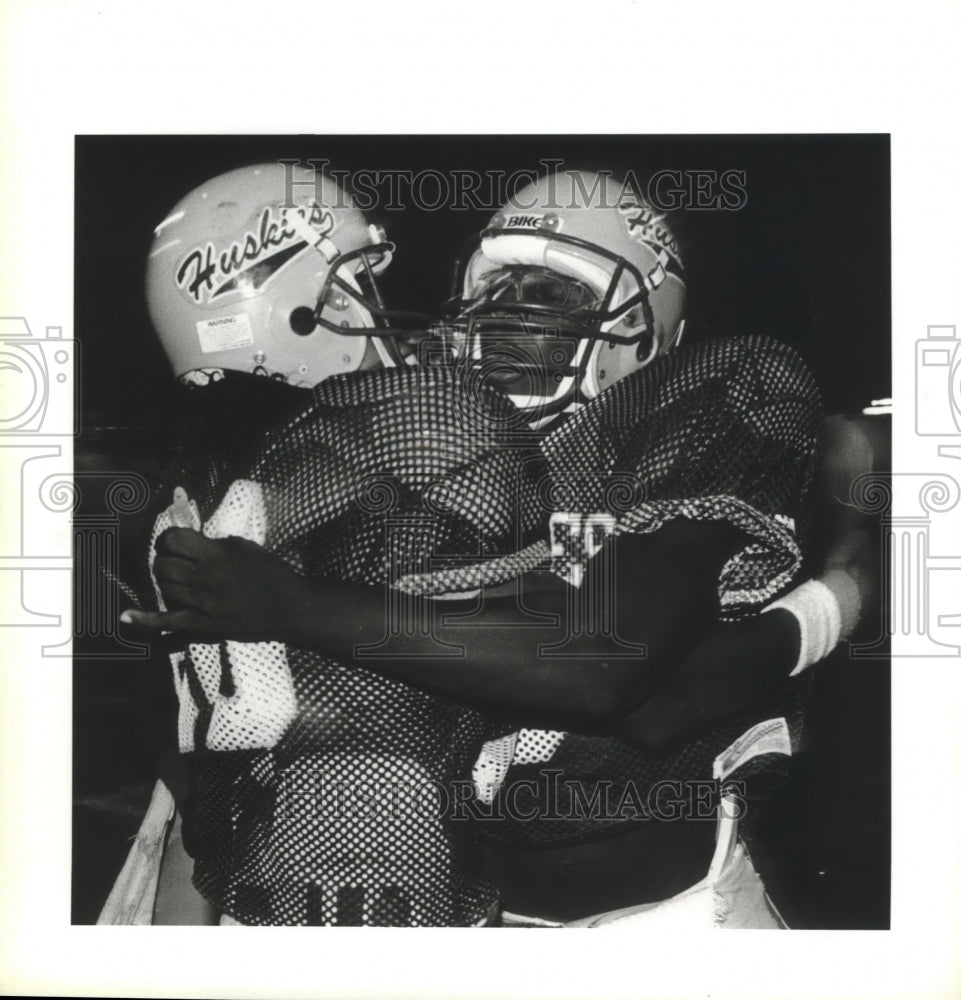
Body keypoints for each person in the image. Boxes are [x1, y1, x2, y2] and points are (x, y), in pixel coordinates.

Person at [126, 170, 867, 927]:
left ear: (643, 324)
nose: (505, 315)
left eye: (551, 294)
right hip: (450, 917)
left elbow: (617, 683)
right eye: (496, 287)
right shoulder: (419, 438)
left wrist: (835, 598)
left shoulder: (705, 399)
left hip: (655, 922)